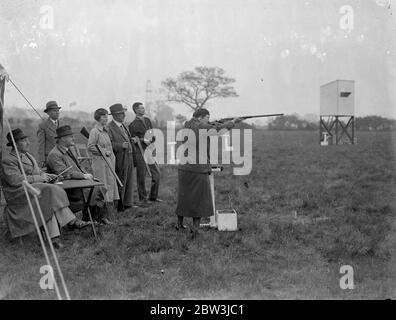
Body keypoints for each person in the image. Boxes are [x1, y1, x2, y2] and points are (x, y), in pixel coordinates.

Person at [0, 129, 90, 249]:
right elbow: (15, 180)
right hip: (19, 194)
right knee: (49, 189)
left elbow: (38, 172)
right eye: (24, 141)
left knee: (47, 201)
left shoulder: (29, 156)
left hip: (34, 191)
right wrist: (40, 178)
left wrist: (48, 176)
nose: (28, 143)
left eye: (28, 140)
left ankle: (54, 239)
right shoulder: (8, 160)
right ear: (15, 144)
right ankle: (72, 221)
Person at [175, 109, 242, 238]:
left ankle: (179, 224)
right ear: (200, 117)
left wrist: (214, 122)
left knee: (184, 198)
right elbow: (218, 130)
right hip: (197, 168)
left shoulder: (187, 124)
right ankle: (195, 229)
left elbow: (206, 127)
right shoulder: (201, 126)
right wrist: (233, 122)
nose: (208, 119)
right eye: (207, 117)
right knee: (200, 199)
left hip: (184, 167)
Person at [46, 125, 112, 225]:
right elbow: (64, 173)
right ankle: (93, 219)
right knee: (96, 189)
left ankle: (97, 217)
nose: (73, 138)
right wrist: (83, 176)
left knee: (99, 186)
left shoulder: (70, 149)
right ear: (63, 139)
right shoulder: (54, 154)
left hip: (77, 183)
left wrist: (87, 174)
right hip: (68, 189)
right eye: (71, 137)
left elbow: (79, 167)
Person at [87, 108, 120, 213]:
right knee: (102, 187)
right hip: (100, 163)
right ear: (98, 118)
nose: (106, 118)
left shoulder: (106, 130)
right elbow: (90, 147)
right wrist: (104, 151)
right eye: (103, 116)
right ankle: (99, 213)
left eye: (107, 116)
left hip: (109, 162)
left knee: (110, 185)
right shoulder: (95, 131)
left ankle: (107, 212)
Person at [129, 102, 161, 204]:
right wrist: (143, 140)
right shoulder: (132, 125)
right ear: (136, 110)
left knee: (157, 174)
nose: (143, 109)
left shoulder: (147, 120)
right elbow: (132, 140)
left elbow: (152, 135)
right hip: (140, 152)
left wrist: (152, 140)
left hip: (149, 151)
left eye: (143, 108)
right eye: (141, 108)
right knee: (141, 176)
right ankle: (143, 199)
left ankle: (153, 197)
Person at [107, 104, 137, 211]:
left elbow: (127, 138)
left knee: (129, 180)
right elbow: (108, 145)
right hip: (119, 158)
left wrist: (131, 140)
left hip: (128, 157)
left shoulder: (124, 125)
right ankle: (119, 205)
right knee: (120, 180)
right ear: (114, 115)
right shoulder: (109, 127)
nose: (123, 115)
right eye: (120, 113)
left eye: (123, 113)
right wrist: (120, 146)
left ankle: (128, 203)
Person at [37, 101, 63, 168]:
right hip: (50, 158)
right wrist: (42, 160)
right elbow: (41, 145)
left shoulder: (63, 124)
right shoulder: (42, 125)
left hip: (63, 157)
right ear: (48, 113)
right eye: (54, 111)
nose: (57, 112)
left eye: (58, 110)